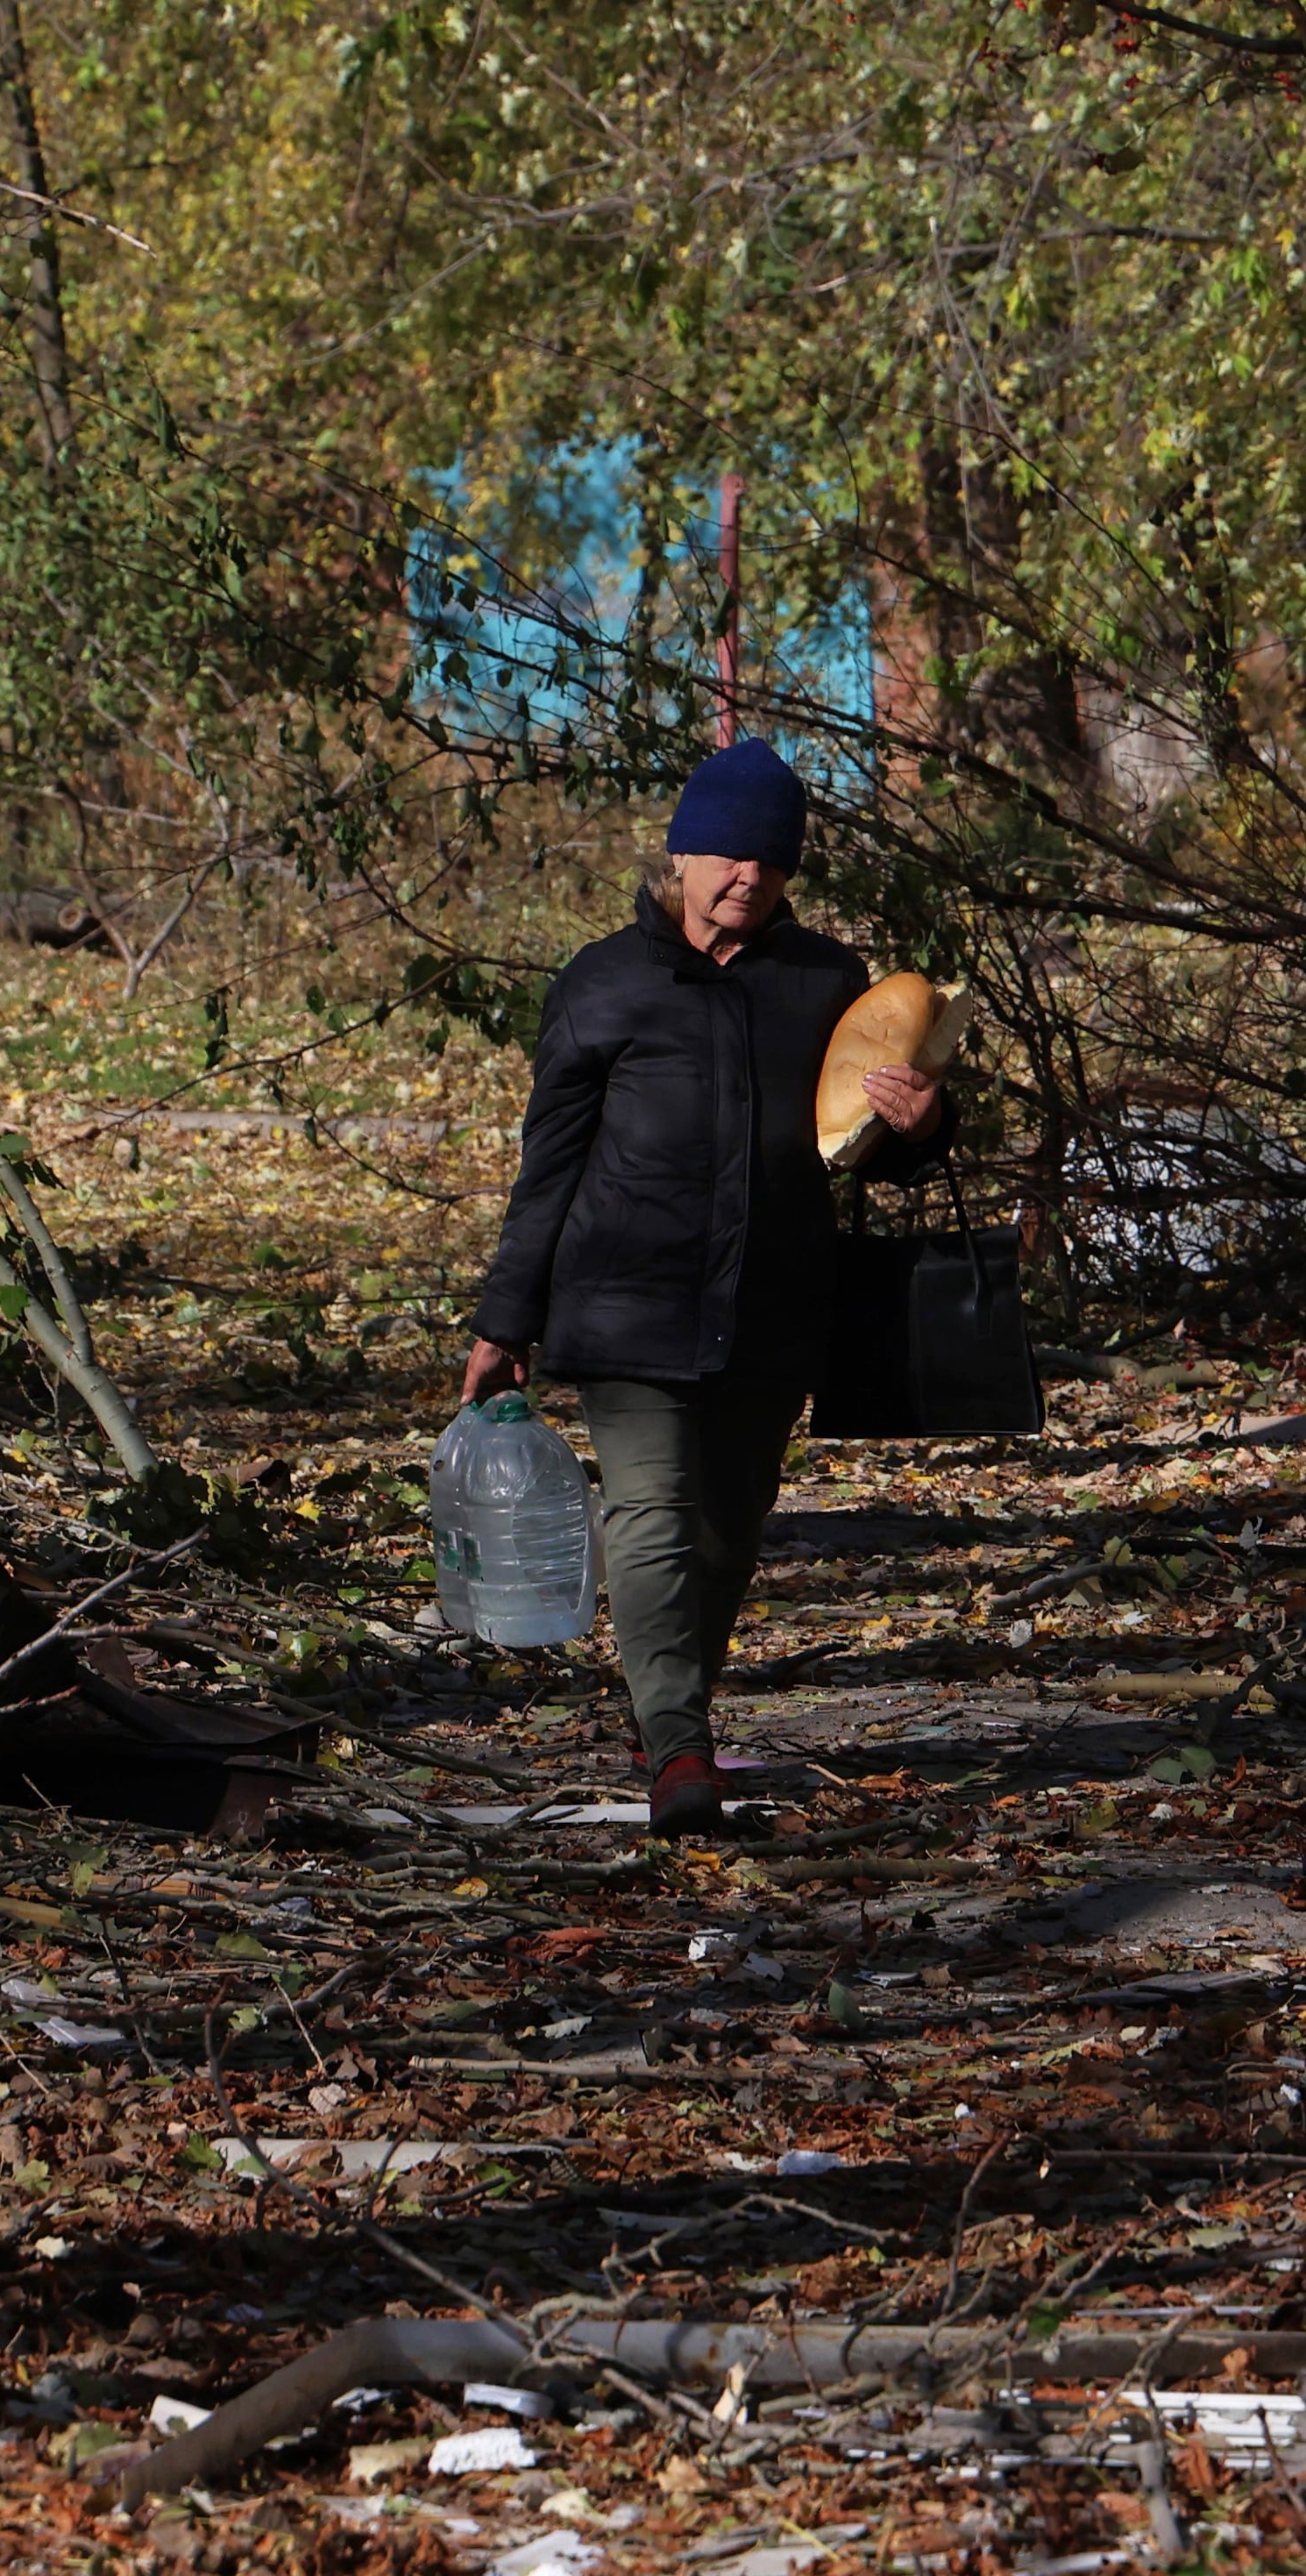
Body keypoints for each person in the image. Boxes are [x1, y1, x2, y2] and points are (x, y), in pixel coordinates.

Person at [460, 738, 944, 1837]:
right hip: (624, 1301)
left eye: (771, 864)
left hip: (771, 1307)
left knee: (727, 1531)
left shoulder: (826, 983)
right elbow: (549, 1168)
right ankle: (679, 1749)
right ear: (678, 852)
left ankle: (664, 1711)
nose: (748, 879)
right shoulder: (601, 984)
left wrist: (924, 1127)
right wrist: (504, 1319)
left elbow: (861, 1141)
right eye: (728, 855)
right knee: (649, 1518)